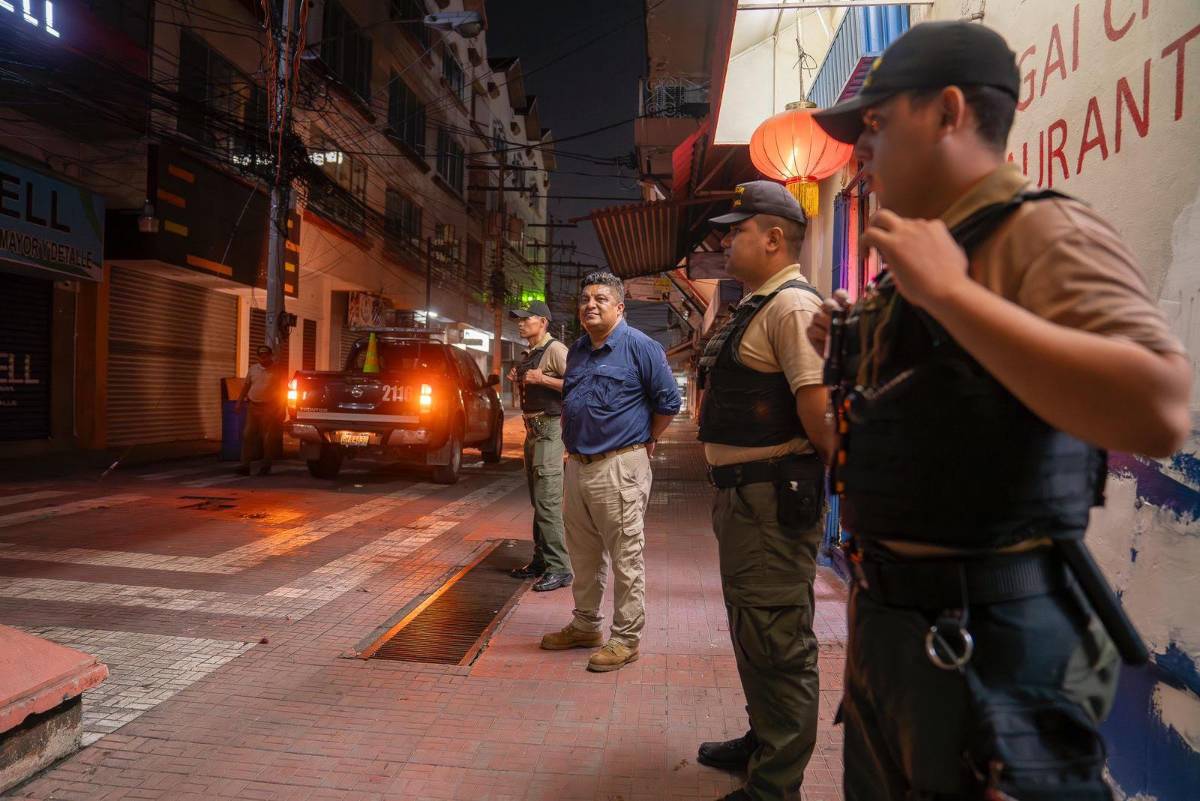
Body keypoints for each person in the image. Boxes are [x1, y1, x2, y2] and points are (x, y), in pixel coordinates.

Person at [805, 21, 1191, 801]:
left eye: (877, 124)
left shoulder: (1038, 230)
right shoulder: (926, 252)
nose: (862, 155)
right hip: (897, 629)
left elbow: (1159, 406)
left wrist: (952, 295)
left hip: (989, 644)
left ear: (949, 113)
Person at [695, 181, 833, 801]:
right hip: (746, 502)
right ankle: (764, 737)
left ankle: (776, 786)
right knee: (754, 629)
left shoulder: (792, 309)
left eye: (737, 229)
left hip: (773, 502)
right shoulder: (757, 303)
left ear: (774, 238)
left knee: (779, 641)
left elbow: (822, 420)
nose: (726, 240)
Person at [539, 271, 681, 672]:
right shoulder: (579, 351)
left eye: (601, 298)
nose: (590, 305)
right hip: (578, 466)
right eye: (584, 298)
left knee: (625, 557)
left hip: (620, 466)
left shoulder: (640, 347)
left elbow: (668, 403)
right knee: (582, 556)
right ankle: (586, 625)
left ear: (620, 306)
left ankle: (626, 638)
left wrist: (645, 440)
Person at [506, 299, 573, 592]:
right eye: (518, 320)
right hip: (533, 431)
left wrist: (542, 378)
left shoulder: (556, 349)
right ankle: (541, 561)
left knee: (548, 502)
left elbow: (578, 383)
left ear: (543, 322)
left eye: (526, 319)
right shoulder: (529, 353)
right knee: (538, 501)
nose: (521, 324)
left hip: (549, 431)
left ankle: (560, 568)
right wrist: (518, 377)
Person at [236, 345, 285, 476]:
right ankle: (245, 465)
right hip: (253, 406)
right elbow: (246, 386)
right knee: (247, 435)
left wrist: (282, 408)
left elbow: (283, 390)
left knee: (267, 437)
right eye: (261, 356)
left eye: (266, 356)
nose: (263, 358)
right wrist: (239, 401)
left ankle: (266, 465)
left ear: (270, 356)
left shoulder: (277, 371)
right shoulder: (253, 369)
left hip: (269, 407)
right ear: (258, 357)